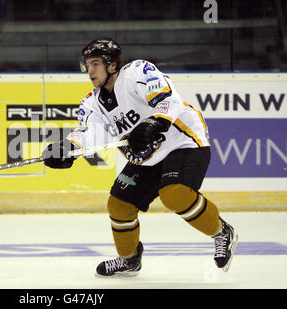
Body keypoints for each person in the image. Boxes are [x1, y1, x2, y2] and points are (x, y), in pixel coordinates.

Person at [42, 38, 238, 277]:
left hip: (182, 141)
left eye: (95, 63)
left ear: (112, 64)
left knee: (174, 194)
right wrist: (67, 148)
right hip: (146, 159)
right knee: (119, 205)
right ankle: (129, 259)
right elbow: (90, 133)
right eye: (87, 64)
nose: (90, 70)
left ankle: (221, 232)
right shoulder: (91, 103)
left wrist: (154, 122)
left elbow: (168, 99)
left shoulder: (137, 72)